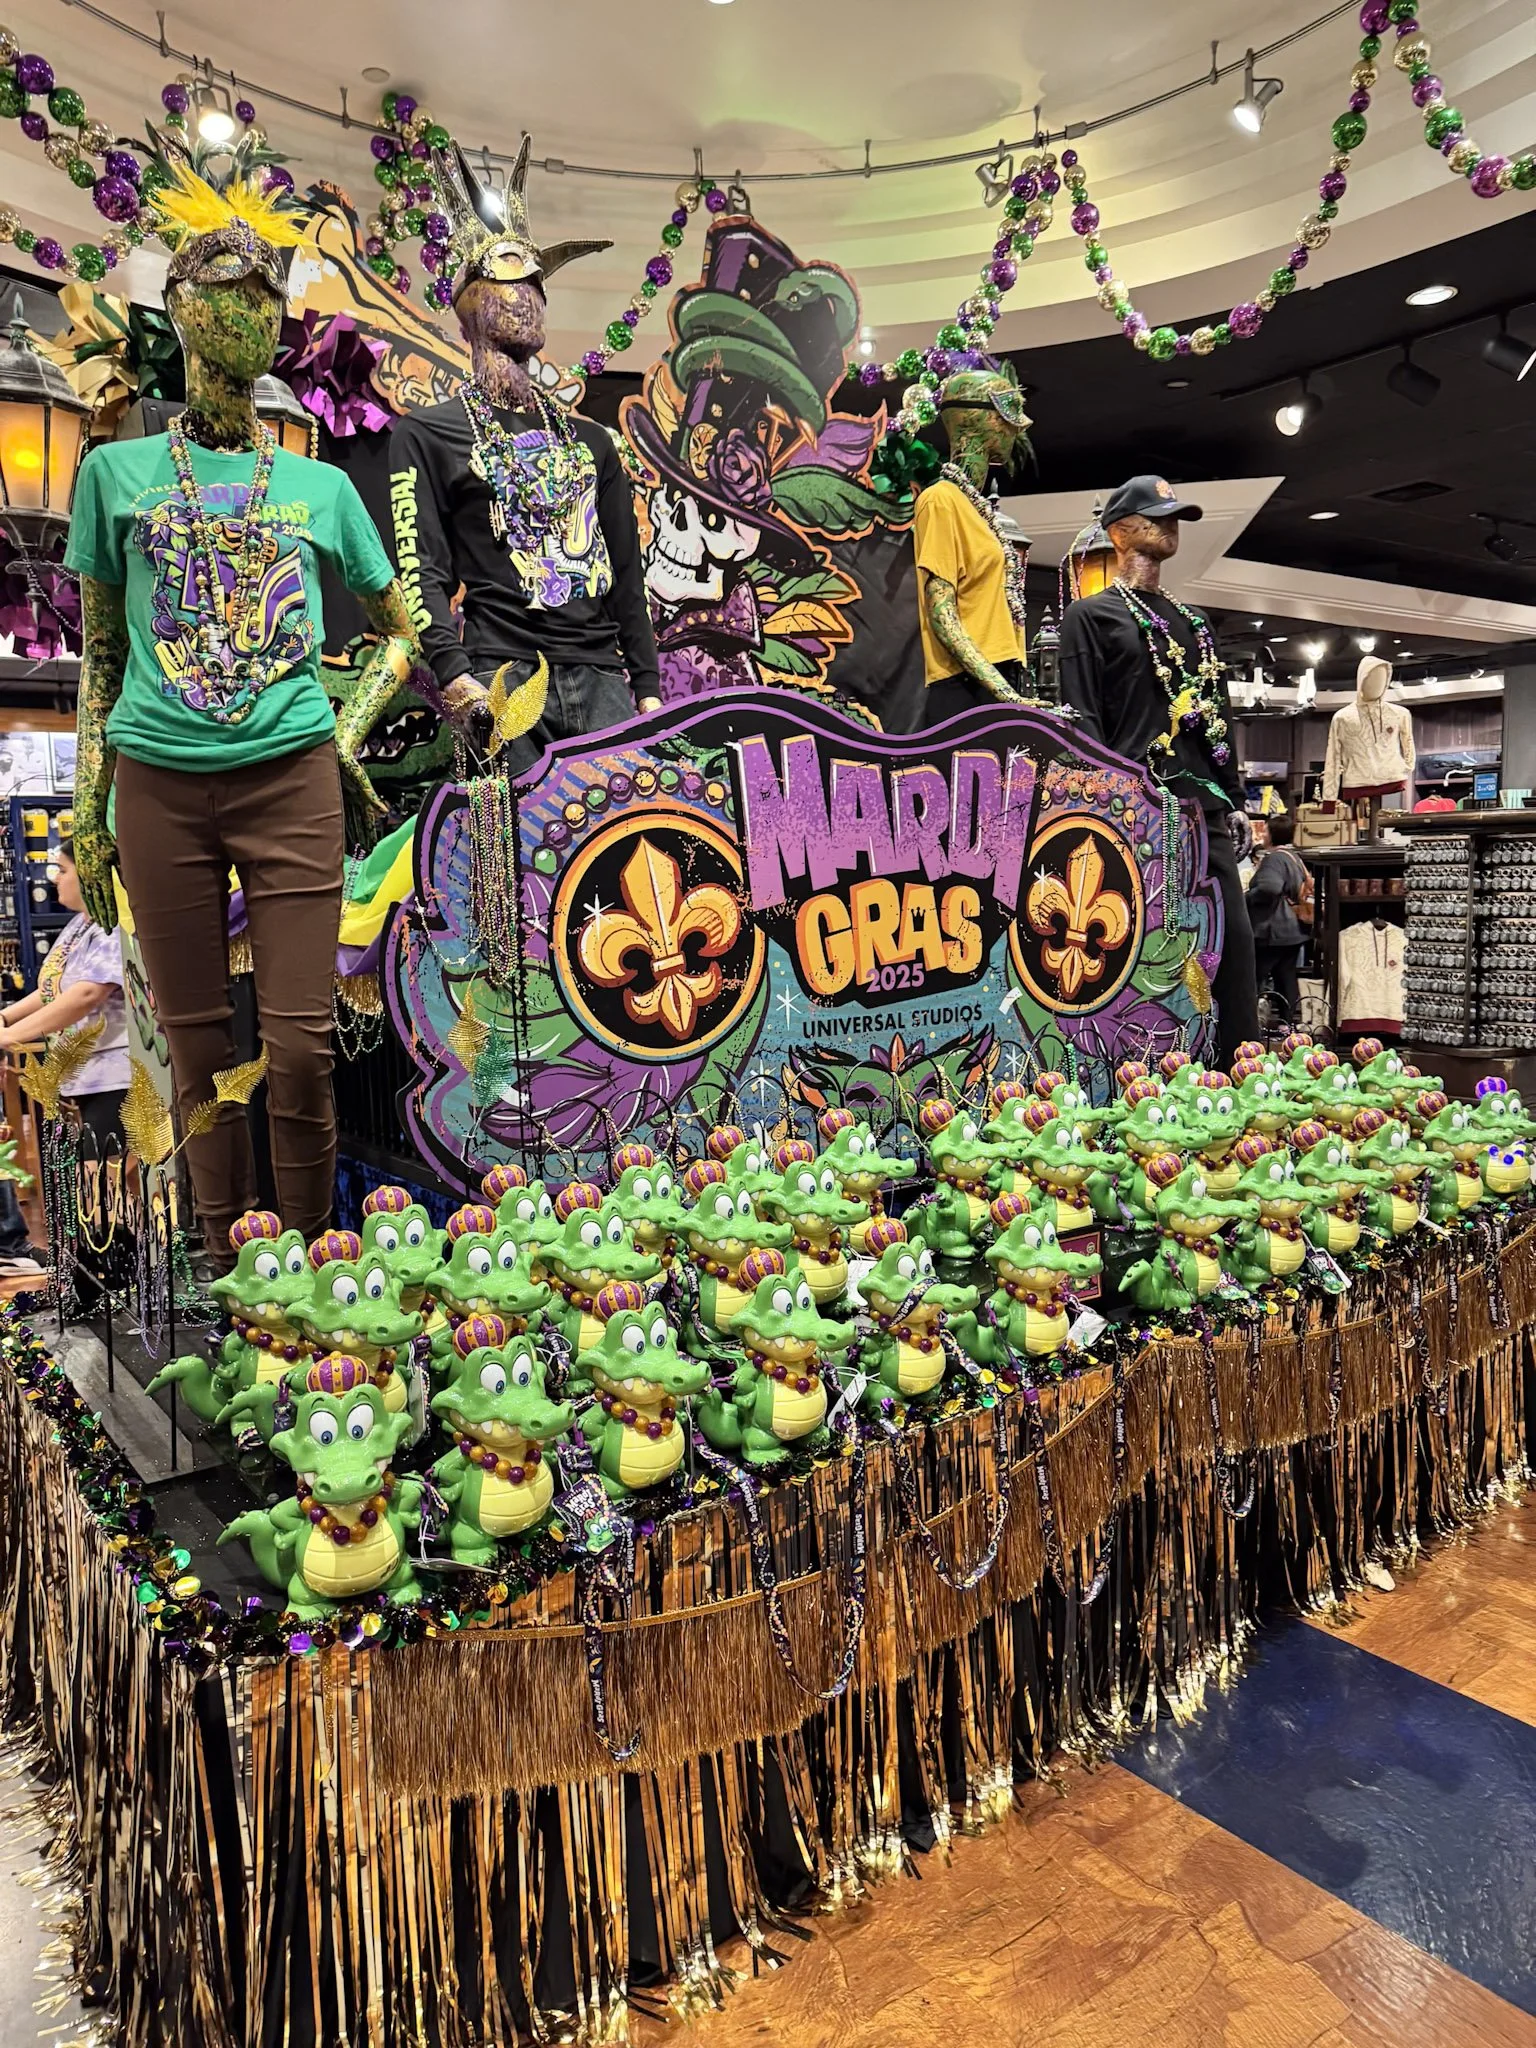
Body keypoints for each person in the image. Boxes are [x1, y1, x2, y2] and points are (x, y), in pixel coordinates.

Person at [1057, 475, 1258, 1065]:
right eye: (1155, 516)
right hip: (1134, 812)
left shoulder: (1195, 623)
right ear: (1119, 531)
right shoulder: (1090, 618)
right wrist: (1104, 803)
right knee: (1136, 944)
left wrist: (1236, 797)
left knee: (1233, 940)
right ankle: (1132, 1071)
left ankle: (1241, 1063)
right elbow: (1083, 720)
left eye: (1174, 517)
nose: (1169, 526)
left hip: (1203, 810)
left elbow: (1218, 715)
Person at [0, 839, 129, 1147]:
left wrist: (10, 1036)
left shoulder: (114, 926)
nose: (54, 879)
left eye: (62, 870)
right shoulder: (79, 924)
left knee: (108, 1172)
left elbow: (87, 994)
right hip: (80, 1076)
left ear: (88, 875)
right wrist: (5, 1017)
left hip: (115, 1079)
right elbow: (53, 989)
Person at [1246, 816, 1309, 1029]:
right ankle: (1286, 1023)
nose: (1263, 835)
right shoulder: (1293, 857)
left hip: (1272, 929)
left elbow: (1269, 888)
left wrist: (1247, 897)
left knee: (1256, 977)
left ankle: (1251, 1024)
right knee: (1286, 977)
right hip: (1293, 929)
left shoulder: (1273, 859)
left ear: (1272, 834)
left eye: (1265, 831)